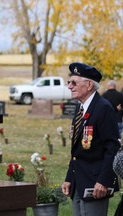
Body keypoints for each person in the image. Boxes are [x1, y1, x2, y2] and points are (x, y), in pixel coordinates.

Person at [61, 62, 121, 216]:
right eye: (69, 82)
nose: (69, 86)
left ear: (88, 85)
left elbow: (113, 148)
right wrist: (69, 178)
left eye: (74, 82)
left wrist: (103, 180)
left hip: (95, 185)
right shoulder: (80, 108)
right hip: (78, 183)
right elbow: (76, 150)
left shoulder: (103, 108)